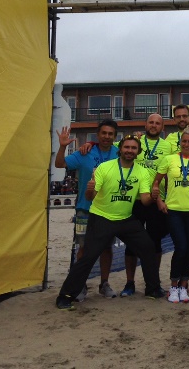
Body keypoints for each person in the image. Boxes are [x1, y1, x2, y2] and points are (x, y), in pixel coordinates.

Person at [56, 135, 164, 309]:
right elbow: (90, 196)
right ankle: (65, 295)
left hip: (125, 219)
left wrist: (153, 196)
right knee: (88, 256)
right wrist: (89, 190)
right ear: (120, 149)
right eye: (126, 147)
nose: (129, 151)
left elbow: (144, 200)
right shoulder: (105, 167)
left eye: (133, 148)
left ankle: (153, 289)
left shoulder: (143, 172)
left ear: (138, 152)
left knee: (148, 248)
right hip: (102, 217)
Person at [54, 119, 119, 300]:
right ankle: (80, 285)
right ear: (97, 135)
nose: (107, 136)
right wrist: (63, 147)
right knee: (82, 248)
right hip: (85, 208)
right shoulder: (85, 152)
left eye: (110, 134)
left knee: (107, 248)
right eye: (103, 133)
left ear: (115, 137)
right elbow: (59, 164)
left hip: (108, 210)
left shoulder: (119, 153)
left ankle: (104, 284)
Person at [119, 113, 170, 298]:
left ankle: (153, 283)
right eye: (151, 122)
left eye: (157, 123)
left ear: (162, 127)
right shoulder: (136, 141)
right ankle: (130, 283)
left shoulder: (168, 146)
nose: (154, 125)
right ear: (145, 125)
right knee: (131, 243)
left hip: (157, 200)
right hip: (134, 200)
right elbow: (113, 147)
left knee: (155, 243)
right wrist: (90, 144)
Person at [153, 126, 189, 303]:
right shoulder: (169, 159)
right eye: (184, 141)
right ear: (180, 143)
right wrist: (159, 201)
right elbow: (156, 183)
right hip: (173, 210)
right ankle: (173, 286)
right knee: (181, 247)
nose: (187, 144)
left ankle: (184, 285)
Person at [162, 103, 189, 295]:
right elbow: (163, 168)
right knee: (182, 243)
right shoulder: (169, 139)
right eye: (178, 116)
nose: (182, 119)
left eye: (185, 116)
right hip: (175, 195)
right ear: (174, 119)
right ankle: (176, 282)